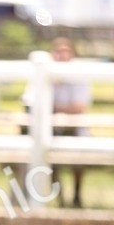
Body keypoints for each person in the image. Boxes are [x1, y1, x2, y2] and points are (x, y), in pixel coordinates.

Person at [22, 37, 93, 208]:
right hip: (52, 128)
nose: (62, 55)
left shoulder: (79, 75)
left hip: (73, 128)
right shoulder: (43, 74)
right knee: (46, 152)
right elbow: (29, 102)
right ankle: (59, 198)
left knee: (78, 155)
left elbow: (79, 107)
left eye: (66, 51)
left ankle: (76, 195)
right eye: (58, 51)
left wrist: (51, 107)